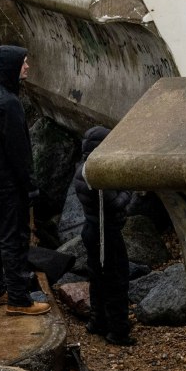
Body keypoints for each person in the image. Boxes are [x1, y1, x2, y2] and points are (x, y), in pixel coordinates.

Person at [0, 45, 49, 316]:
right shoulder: (9, 103)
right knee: (14, 240)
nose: (27, 66)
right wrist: (30, 186)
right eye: (23, 63)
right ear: (12, 67)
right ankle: (19, 299)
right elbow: (19, 152)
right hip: (9, 186)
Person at [73, 126, 134, 345]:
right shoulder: (97, 174)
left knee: (97, 277)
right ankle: (118, 331)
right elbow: (114, 203)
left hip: (91, 229)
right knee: (116, 279)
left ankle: (97, 321)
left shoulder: (81, 169)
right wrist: (128, 189)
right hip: (105, 233)